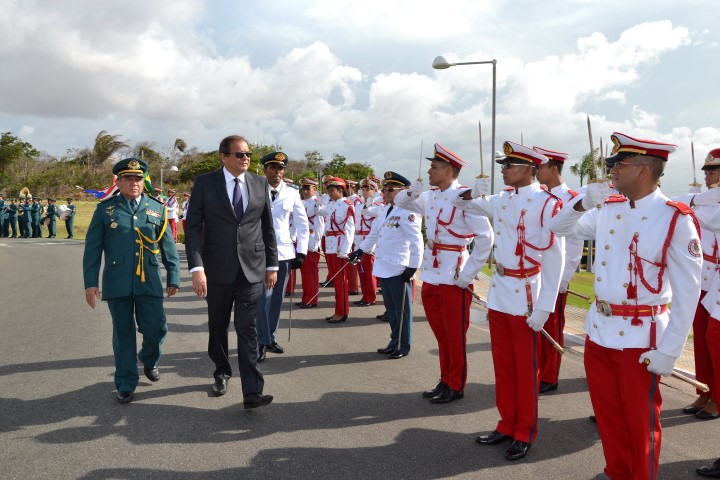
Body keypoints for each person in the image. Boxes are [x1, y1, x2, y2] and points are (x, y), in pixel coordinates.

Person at [548, 132, 702, 480]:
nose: (612, 170)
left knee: (640, 425)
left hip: (641, 340)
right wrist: (583, 202)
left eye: (620, 163)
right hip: (600, 331)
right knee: (608, 418)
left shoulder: (675, 218)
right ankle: (617, 473)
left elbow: (688, 294)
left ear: (644, 169)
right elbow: (557, 227)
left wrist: (671, 351)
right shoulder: (608, 209)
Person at [453, 141, 564, 461]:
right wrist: (475, 190)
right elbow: (462, 204)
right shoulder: (501, 199)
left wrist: (545, 307)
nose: (503, 169)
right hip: (501, 290)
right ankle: (506, 423)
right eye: (502, 165)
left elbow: (554, 258)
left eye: (509, 165)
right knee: (503, 365)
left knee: (525, 369)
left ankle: (524, 430)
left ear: (529, 169)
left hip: (526, 292)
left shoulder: (546, 204)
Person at [394, 143, 493, 404]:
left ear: (448, 170)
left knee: (455, 335)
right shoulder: (431, 196)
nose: (429, 171)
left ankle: (456, 384)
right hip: (433, 273)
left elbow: (485, 238)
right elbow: (399, 201)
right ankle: (445, 378)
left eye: (434, 167)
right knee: (440, 332)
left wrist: (468, 274)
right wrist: (411, 192)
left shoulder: (464, 197)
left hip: (454, 275)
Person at [185, 135, 278, 409]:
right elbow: (192, 228)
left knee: (247, 328)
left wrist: (271, 265)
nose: (246, 158)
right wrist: (197, 268)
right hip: (216, 269)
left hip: (252, 268)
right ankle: (222, 371)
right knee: (218, 325)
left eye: (248, 154)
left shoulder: (259, 183)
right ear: (223, 157)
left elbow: (267, 227)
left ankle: (252, 391)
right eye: (239, 154)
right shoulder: (205, 183)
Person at [83, 158, 180, 403]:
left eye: (138, 178)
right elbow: (93, 249)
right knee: (123, 334)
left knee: (157, 328)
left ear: (143, 180)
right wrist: (90, 283)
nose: (133, 183)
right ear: (120, 181)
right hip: (117, 281)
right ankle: (125, 383)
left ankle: (149, 358)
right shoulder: (105, 209)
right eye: (128, 178)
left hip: (149, 280)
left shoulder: (157, 209)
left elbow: (167, 246)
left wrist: (174, 276)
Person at [350, 171, 423, 358]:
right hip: (384, 266)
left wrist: (413, 267)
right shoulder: (386, 210)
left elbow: (417, 242)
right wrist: (361, 250)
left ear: (404, 190)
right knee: (391, 310)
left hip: (399, 267)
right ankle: (393, 341)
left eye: (391, 189)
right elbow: (374, 233)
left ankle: (402, 345)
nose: (386, 193)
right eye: (385, 189)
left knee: (402, 311)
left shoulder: (408, 212)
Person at [672, 147, 720, 420]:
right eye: (707, 171)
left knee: (716, 340)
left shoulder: (707, 204)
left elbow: (706, 218)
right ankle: (705, 389)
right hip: (704, 277)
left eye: (714, 170)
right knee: (701, 338)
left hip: (717, 279)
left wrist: (695, 201)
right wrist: (698, 198)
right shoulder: (704, 200)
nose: (709, 175)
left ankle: (718, 397)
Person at [533, 146, 585, 394]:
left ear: (554, 168)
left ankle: (549, 375)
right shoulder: (537, 196)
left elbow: (575, 245)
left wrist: (564, 278)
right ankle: (536, 370)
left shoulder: (572, 199)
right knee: (534, 325)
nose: (537, 171)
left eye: (541, 167)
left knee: (552, 326)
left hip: (555, 275)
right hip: (533, 275)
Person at [256, 152, 309, 361]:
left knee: (277, 298)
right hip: (259, 252)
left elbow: (302, 223)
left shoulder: (292, 193)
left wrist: (302, 250)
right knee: (263, 298)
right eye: (272, 168)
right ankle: (260, 340)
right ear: (265, 170)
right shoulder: (255, 189)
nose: (277, 172)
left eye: (280, 168)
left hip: (284, 252)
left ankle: (270, 337)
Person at [317, 177, 355, 323]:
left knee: (341, 282)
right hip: (331, 246)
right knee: (336, 281)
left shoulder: (347, 206)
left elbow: (349, 230)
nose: (330, 193)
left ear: (340, 190)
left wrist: (345, 250)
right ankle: (338, 310)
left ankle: (342, 312)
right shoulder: (332, 205)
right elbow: (320, 212)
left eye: (332, 190)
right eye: (328, 190)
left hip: (340, 247)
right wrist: (317, 201)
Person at [353, 177, 383, 306]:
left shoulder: (378, 206)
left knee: (370, 271)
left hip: (369, 240)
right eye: (363, 189)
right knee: (362, 270)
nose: (365, 192)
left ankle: (371, 297)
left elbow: (377, 227)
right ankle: (365, 295)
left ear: (374, 191)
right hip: (359, 239)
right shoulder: (359, 206)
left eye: (368, 190)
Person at [297, 178, 325, 308]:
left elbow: (319, 226)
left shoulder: (316, 204)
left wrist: (315, 243)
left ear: (315, 189)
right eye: (304, 188)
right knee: (304, 272)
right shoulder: (301, 202)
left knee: (311, 273)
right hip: (302, 240)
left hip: (312, 240)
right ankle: (306, 297)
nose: (306, 191)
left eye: (308, 188)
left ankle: (312, 299)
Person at [345, 179, 361, 295]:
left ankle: (353, 286)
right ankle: (350, 285)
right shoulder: (346, 200)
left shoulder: (357, 200)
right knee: (349, 261)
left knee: (353, 263)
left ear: (353, 188)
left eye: (348, 187)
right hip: (348, 233)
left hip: (355, 233)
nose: (346, 189)